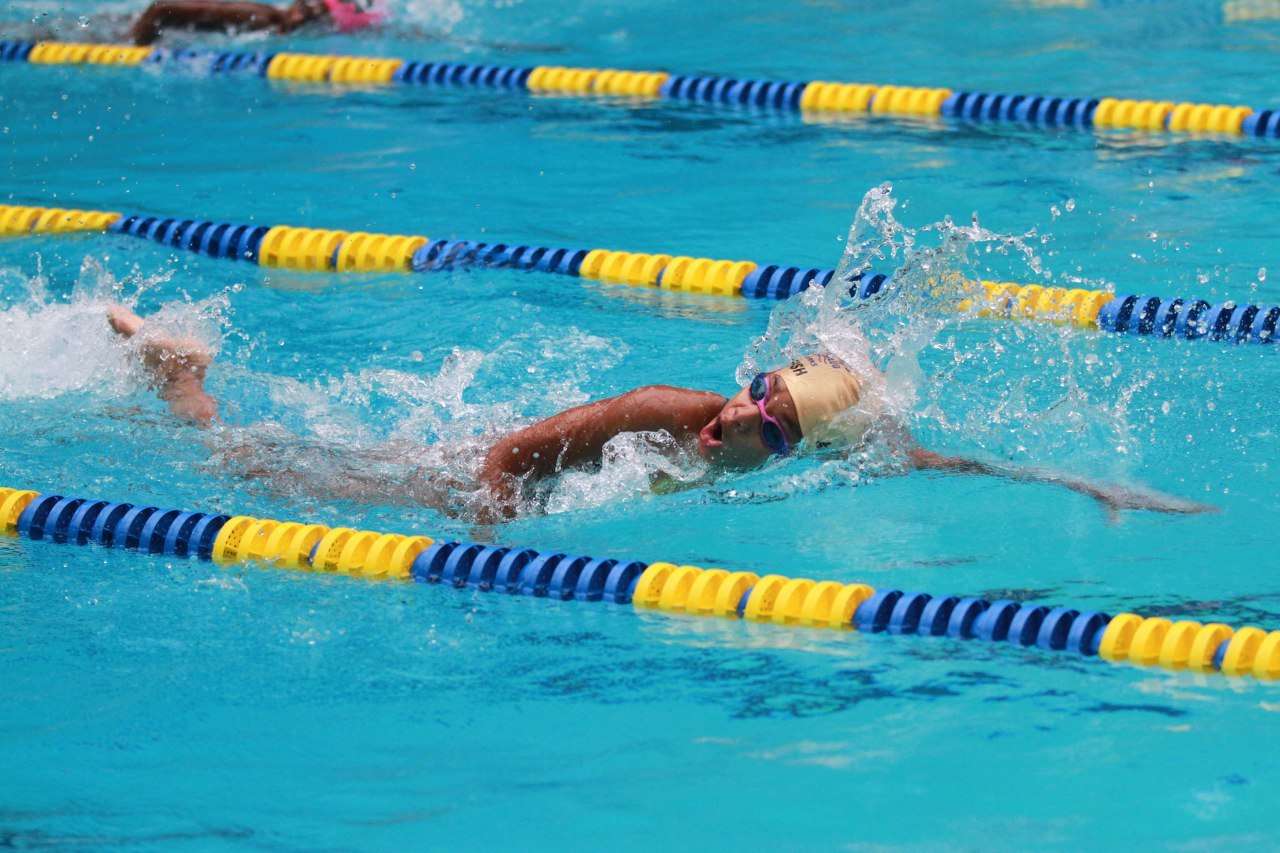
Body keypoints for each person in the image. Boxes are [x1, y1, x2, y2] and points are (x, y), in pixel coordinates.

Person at [106, 305, 1215, 522]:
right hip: (473, 480)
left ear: (793, 448)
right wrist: (486, 543)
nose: (735, 420)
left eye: (765, 428)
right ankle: (180, 376)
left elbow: (932, 459)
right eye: (750, 396)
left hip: (526, 490)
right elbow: (501, 452)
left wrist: (1086, 484)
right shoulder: (662, 409)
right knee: (243, 474)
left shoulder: (810, 448)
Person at [128, 0, 384, 46]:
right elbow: (160, 9)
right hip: (114, 36)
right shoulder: (262, 17)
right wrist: (134, 51)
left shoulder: (274, 27)